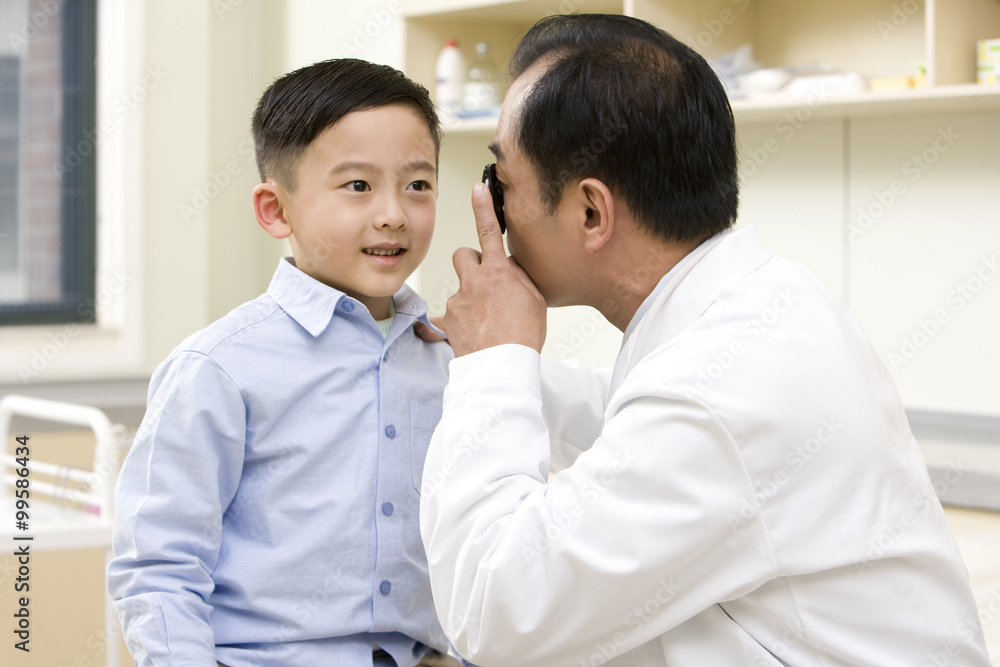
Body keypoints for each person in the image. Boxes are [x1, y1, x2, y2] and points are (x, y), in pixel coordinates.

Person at [418, 14, 991, 667]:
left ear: (590, 212)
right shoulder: (763, 300)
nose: (491, 209)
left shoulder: (722, 389)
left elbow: (492, 611)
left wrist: (494, 364)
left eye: (502, 182)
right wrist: (470, 365)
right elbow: (635, 416)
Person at [109, 58, 461, 666]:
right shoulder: (218, 368)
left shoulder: (450, 359)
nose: (393, 214)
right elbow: (159, 567)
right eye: (358, 186)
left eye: (418, 185)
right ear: (276, 210)